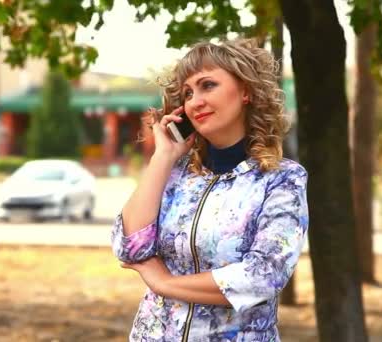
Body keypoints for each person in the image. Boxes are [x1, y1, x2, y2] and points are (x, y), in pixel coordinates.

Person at [111, 38, 309, 342]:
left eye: (208, 86)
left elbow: (263, 276)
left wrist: (164, 283)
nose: (195, 102)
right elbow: (129, 248)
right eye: (188, 93)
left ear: (246, 91)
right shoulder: (176, 174)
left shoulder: (281, 180)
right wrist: (163, 156)